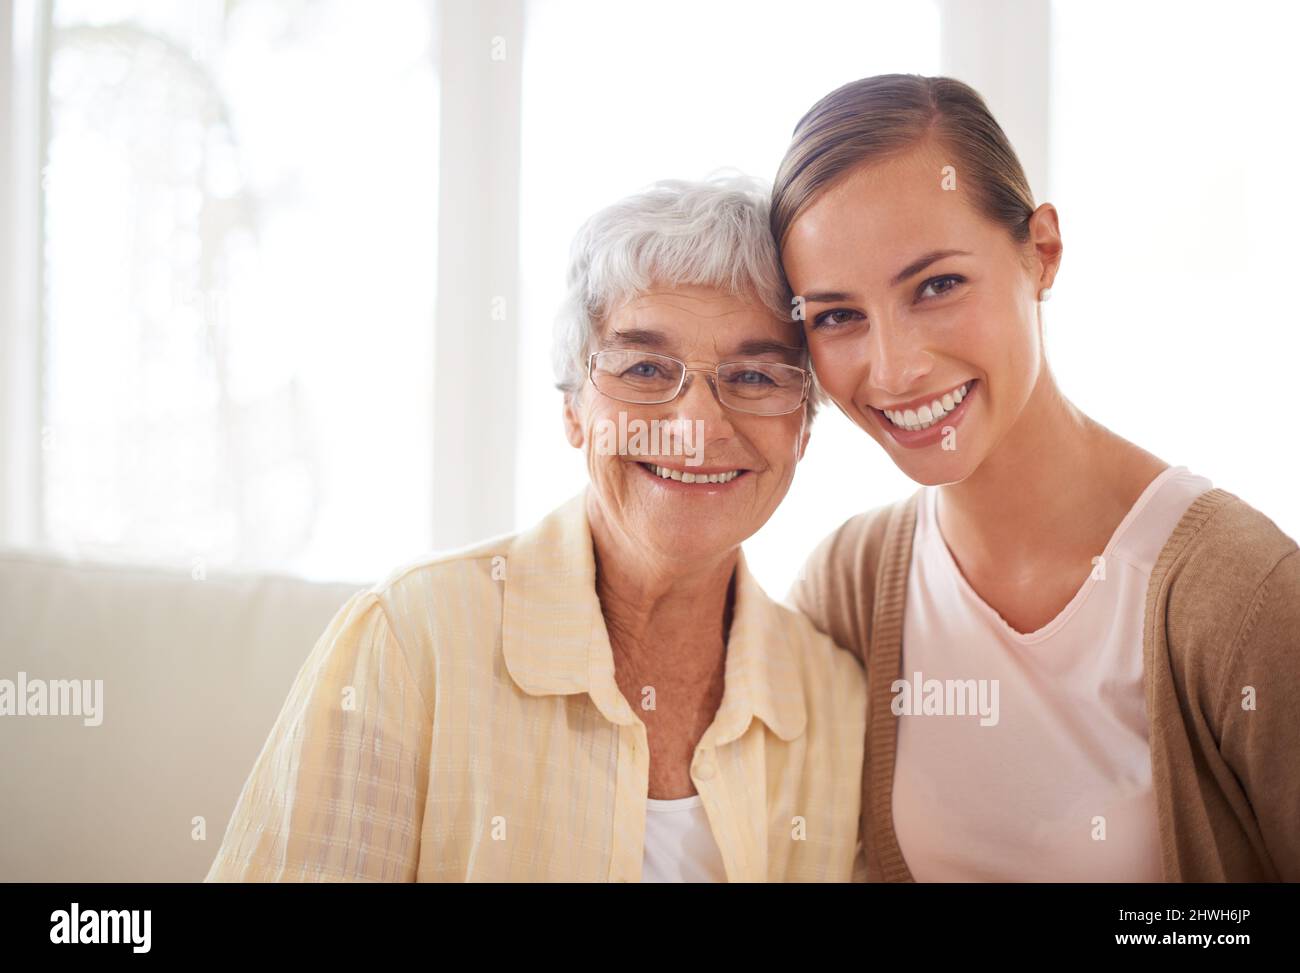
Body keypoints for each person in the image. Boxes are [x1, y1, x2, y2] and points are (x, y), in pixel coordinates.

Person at [205, 174, 867, 882]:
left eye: (755, 377)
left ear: (803, 427)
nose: (697, 427)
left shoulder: (837, 703)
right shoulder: (410, 636)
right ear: (573, 408)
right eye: (645, 366)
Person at [773, 74, 1300, 882]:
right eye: (838, 315)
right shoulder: (852, 584)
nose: (897, 367)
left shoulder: (1241, 594)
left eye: (937, 285)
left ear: (1041, 252)